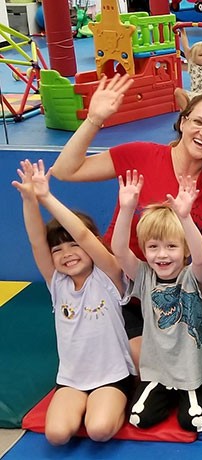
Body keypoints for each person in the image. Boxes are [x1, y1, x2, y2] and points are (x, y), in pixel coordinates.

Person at [50, 74, 202, 371]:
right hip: (124, 289)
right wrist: (94, 120)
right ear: (183, 121)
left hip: (177, 295)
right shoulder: (141, 154)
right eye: (198, 122)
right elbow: (65, 171)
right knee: (139, 359)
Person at [13, 159, 135, 445]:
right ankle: (85, 404)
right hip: (72, 379)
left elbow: (82, 233)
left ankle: (120, 398)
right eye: (59, 249)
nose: (66, 253)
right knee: (56, 435)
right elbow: (36, 242)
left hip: (112, 375)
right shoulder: (58, 284)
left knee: (99, 430)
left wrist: (47, 197)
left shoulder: (108, 276)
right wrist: (30, 199)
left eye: (74, 246)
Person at [112, 171, 202, 432]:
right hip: (158, 371)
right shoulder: (145, 276)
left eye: (171, 246)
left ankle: (193, 390)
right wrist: (126, 209)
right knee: (138, 418)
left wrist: (184, 216)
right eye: (153, 247)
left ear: (185, 250)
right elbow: (120, 251)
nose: (162, 255)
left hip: (193, 371)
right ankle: (165, 392)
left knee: (195, 421)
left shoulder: (192, 276)